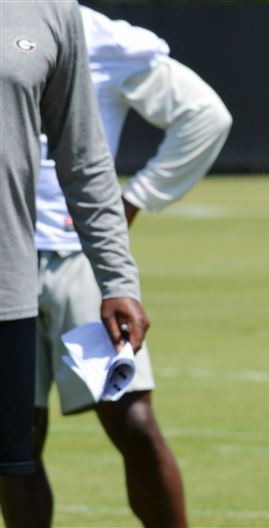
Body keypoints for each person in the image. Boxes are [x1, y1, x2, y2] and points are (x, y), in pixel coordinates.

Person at [1, 6, 232, 527]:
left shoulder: (85, 30)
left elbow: (206, 115)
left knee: (132, 418)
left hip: (76, 254)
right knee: (16, 443)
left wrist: (137, 200)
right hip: (5, 259)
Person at [0, 3, 149, 524]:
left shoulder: (49, 11)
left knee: (13, 467)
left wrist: (117, 277)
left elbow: (84, 159)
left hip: (7, 293)